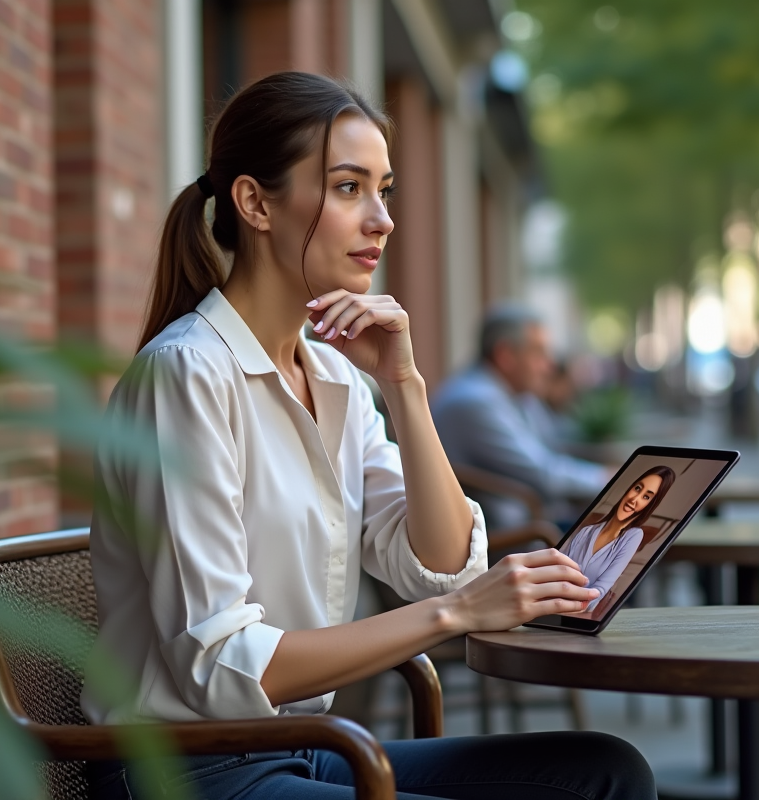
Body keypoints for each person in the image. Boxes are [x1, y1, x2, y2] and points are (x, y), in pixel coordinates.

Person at [81, 72, 655, 800]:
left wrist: (404, 386)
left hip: (296, 747)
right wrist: (458, 615)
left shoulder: (339, 379)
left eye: (385, 191)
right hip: (184, 769)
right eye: (350, 188)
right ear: (256, 202)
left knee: (606, 772)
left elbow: (439, 565)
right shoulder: (186, 375)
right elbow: (223, 667)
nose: (381, 220)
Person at [431, 304, 609, 529]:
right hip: (514, 539)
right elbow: (544, 476)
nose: (550, 365)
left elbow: (553, 447)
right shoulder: (475, 402)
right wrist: (607, 478)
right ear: (505, 356)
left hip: (535, 523)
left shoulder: (514, 393)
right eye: (539, 353)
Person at [560, 466, 676, 601]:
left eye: (646, 497)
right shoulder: (586, 532)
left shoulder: (634, 535)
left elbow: (601, 590)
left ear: (650, 505)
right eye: (637, 488)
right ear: (629, 488)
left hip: (578, 611)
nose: (635, 499)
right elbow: (559, 570)